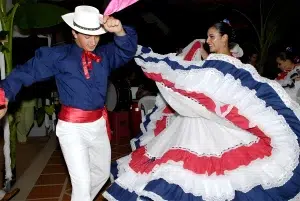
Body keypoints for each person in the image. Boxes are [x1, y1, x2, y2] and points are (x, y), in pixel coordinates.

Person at [103, 20, 300, 201]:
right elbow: (187, 77)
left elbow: (248, 95)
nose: (207, 40)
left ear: (225, 38)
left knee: (217, 173)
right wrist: (146, 56)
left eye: (212, 36)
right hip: (196, 122)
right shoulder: (212, 66)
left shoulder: (234, 68)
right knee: (183, 166)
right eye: (207, 37)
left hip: (223, 128)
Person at [0, 5, 137, 201]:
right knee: (81, 184)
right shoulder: (59, 55)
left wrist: (121, 31)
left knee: (101, 174)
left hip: (99, 125)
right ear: (74, 32)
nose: (93, 41)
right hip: (72, 129)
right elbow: (26, 71)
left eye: (97, 35)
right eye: (87, 36)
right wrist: (3, 93)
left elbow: (128, 50)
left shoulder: (105, 55)